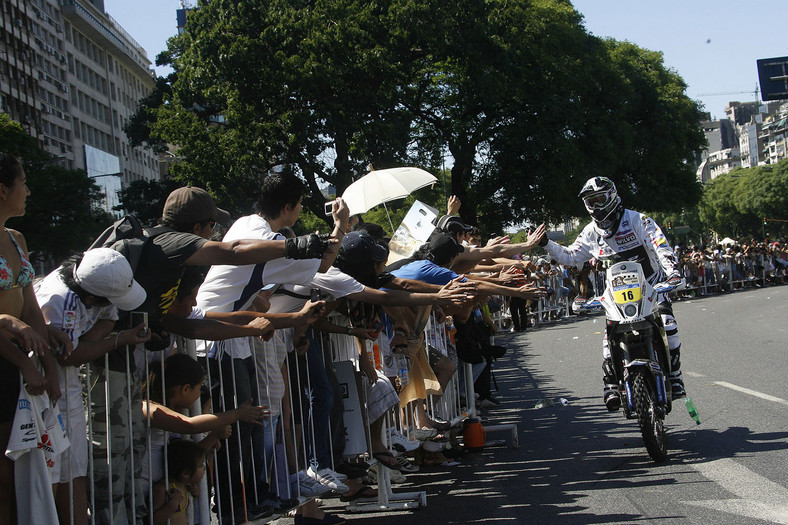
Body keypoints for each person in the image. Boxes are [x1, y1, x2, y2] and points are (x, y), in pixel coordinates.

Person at [536, 176, 685, 410]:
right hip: (615, 296)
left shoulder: (638, 220)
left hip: (651, 288)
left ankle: (675, 376)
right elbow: (570, 256)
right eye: (590, 202)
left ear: (613, 196)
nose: (595, 206)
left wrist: (673, 273)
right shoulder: (589, 232)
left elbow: (660, 244)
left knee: (667, 324)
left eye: (600, 199)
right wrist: (546, 243)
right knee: (608, 337)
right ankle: (611, 384)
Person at [35, 248, 152, 525]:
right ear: (90, 297)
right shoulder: (57, 300)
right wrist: (117, 341)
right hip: (47, 395)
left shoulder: (95, 281)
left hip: (69, 389)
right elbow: (69, 356)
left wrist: (86, 341)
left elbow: (108, 319)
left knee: (74, 468)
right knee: (50, 471)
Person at [0, 152, 72, 525]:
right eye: (23, 182)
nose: (28, 190)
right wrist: (25, 362)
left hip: (22, 368)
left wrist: (48, 366)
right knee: (3, 477)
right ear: (2, 189)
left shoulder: (15, 239)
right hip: (6, 364)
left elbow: (30, 309)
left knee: (27, 473)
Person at [151, 439, 207, 525]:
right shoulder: (164, 489)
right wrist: (173, 504)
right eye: (200, 465)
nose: (204, 468)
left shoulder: (184, 488)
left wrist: (194, 496)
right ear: (185, 473)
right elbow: (154, 520)